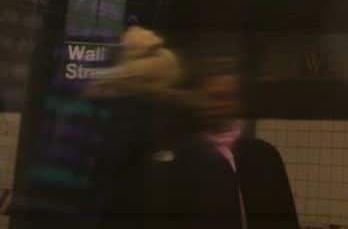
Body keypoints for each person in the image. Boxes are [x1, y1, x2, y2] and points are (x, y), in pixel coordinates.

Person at [101, 55, 299, 229]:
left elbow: (284, 219)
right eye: (208, 97)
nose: (214, 104)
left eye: (222, 97)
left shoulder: (264, 156)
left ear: (237, 101)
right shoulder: (176, 157)